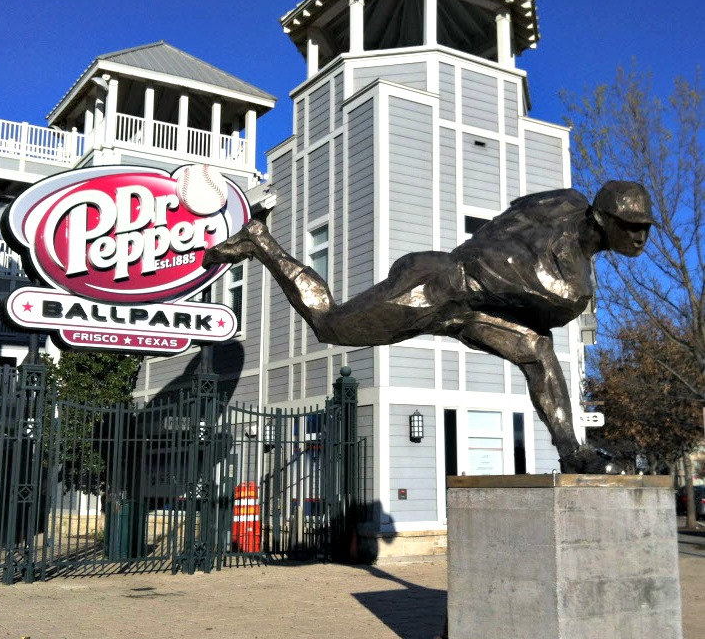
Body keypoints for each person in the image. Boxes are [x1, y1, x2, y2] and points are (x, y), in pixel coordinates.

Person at [203, 180, 654, 473]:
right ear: (601, 218)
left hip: (471, 311)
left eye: (644, 229)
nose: (639, 237)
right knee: (329, 325)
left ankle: (572, 453)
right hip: (434, 285)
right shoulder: (567, 234)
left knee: (538, 352)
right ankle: (260, 241)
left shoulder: (575, 266)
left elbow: (524, 291)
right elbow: (499, 233)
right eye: (631, 227)